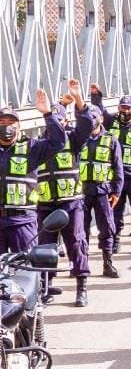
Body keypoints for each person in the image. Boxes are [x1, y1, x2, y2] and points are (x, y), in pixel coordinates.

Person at [36, 79, 93, 307]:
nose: (56, 127)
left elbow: (87, 124)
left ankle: (81, 286)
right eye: (52, 122)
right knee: (45, 248)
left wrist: (78, 98)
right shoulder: (38, 144)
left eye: (59, 122)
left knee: (76, 243)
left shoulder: (74, 140)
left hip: (71, 203)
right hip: (46, 203)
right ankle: (46, 287)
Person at [91, 86, 131, 255]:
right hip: (115, 177)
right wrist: (96, 95)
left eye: (128, 108)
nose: (125, 111)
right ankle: (116, 240)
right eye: (122, 107)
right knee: (116, 211)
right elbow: (99, 111)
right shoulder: (112, 123)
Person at [0, 89, 65, 253]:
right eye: (2, 122)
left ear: (19, 126)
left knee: (27, 270)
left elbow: (58, 143)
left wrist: (48, 114)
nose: (6, 126)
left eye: (11, 123)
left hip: (22, 220)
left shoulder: (32, 148)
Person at [79, 105, 123, 280]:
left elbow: (118, 167)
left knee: (107, 228)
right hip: (81, 192)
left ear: (102, 118)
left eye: (95, 116)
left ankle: (107, 263)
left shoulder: (111, 140)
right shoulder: (78, 139)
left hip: (103, 191)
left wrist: (117, 191)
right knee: (81, 230)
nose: (92, 119)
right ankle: (82, 264)